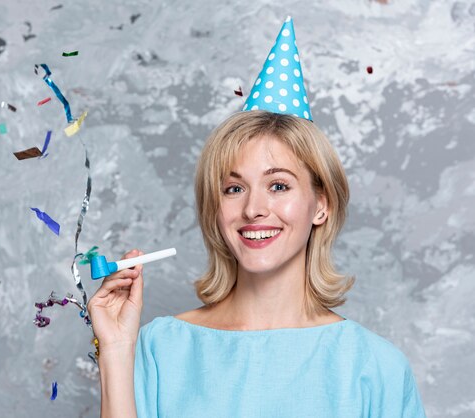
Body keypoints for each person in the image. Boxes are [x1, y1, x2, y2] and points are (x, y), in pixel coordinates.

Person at [87, 17, 426, 418]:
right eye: (234, 188)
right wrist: (115, 350)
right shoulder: (158, 349)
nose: (253, 208)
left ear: (322, 204)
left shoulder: (376, 367)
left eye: (279, 185)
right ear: (215, 209)